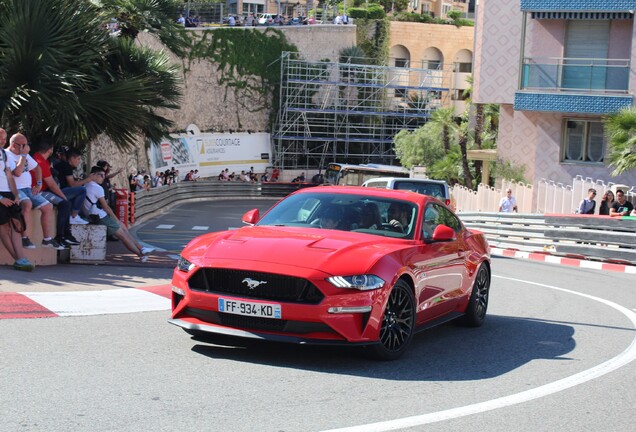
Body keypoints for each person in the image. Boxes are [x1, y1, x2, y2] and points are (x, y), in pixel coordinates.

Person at [82, 166, 154, 262]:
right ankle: (140, 254)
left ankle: (141, 248)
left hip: (93, 215)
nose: (103, 177)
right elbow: (106, 207)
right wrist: (116, 219)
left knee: (124, 229)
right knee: (123, 235)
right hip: (101, 217)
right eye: (101, 175)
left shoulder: (85, 185)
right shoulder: (97, 188)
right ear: (94, 175)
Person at [7, 133, 65, 250]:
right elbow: (17, 173)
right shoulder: (7, 155)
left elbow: (37, 168)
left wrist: (38, 184)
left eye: (27, 145)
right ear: (14, 145)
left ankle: (47, 239)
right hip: (14, 188)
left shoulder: (24, 154)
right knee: (27, 204)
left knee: (47, 206)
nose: (27, 148)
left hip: (28, 188)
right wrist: (23, 156)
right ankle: (25, 237)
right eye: (24, 145)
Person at [32, 139, 81, 247]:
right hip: (38, 192)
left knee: (66, 203)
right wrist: (63, 197)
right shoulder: (40, 162)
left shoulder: (40, 158)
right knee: (65, 204)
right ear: (50, 150)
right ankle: (60, 236)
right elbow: (52, 185)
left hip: (43, 190)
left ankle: (66, 235)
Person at [0, 128, 34, 271]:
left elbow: (9, 175)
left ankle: (19, 258)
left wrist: (15, 195)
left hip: (9, 193)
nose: (2, 141)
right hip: (1, 196)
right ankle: (19, 259)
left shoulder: (3, 153)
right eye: (0, 138)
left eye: (4, 138)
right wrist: (1, 198)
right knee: (3, 227)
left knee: (16, 225)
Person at [53, 148, 93, 225]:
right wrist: (88, 179)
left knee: (76, 193)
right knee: (82, 190)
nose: (79, 162)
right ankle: (74, 216)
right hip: (59, 192)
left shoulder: (61, 164)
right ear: (71, 158)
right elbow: (72, 184)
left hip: (58, 191)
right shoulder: (66, 166)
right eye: (78, 159)